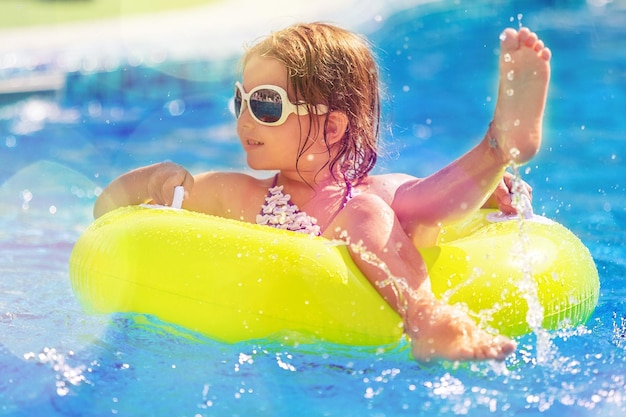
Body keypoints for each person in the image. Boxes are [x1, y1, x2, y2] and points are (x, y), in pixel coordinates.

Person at [94, 23, 551, 362]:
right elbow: (107, 216)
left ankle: (495, 152)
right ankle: (494, 150)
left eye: (266, 104)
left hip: (355, 344)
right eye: (241, 100)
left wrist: (490, 188)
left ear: (332, 126)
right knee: (376, 208)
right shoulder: (238, 194)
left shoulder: (372, 195)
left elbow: (433, 198)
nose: (245, 119)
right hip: (279, 358)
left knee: (384, 207)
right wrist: (147, 179)